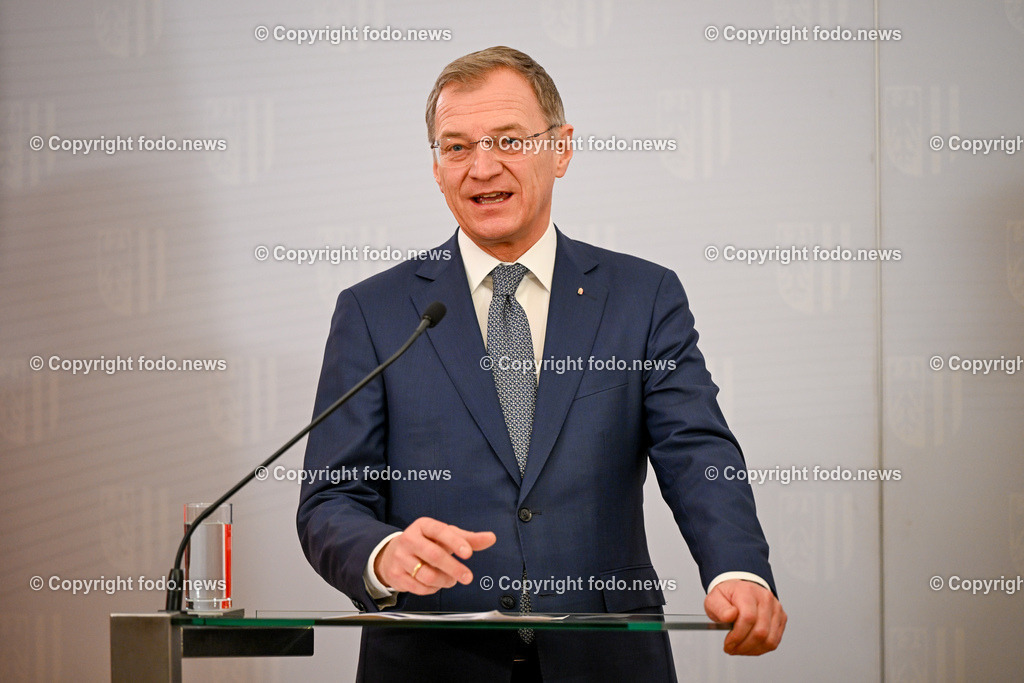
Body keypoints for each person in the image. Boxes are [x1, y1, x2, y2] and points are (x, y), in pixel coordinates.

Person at [297, 45, 786, 683]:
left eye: (507, 140)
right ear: (437, 167)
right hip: (432, 660)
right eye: (456, 146)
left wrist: (737, 570)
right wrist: (383, 554)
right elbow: (330, 499)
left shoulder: (642, 296)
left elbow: (697, 452)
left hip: (605, 659)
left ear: (561, 149)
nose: (482, 167)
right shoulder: (375, 311)